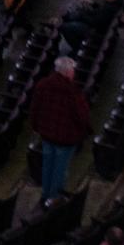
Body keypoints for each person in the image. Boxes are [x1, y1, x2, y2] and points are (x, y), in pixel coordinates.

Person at [28, 55, 90, 204]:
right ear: (68, 72)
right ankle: (53, 199)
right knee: (60, 169)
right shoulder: (73, 92)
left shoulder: (43, 85)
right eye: (73, 70)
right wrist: (85, 132)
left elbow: (35, 109)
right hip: (66, 138)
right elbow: (82, 116)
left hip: (47, 134)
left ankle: (45, 194)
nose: (74, 73)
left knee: (48, 165)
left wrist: (36, 127)